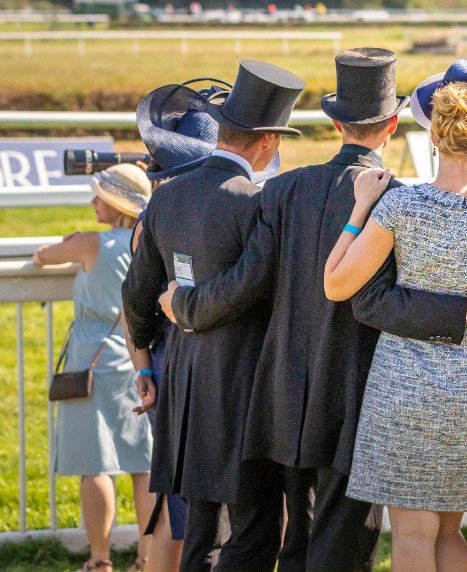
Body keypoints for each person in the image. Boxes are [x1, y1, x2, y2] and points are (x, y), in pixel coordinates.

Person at [162, 48, 467, 572]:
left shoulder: (284, 187)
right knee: (341, 550)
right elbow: (374, 301)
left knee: (295, 545)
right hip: (356, 392)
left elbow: (250, 282)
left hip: (280, 390)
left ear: (337, 121)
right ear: (391, 126)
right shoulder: (398, 198)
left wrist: (183, 302)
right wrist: (461, 313)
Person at [323, 58, 467, 572]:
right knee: (446, 529)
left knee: (412, 532)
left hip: (402, 384)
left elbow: (336, 283)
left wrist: (358, 210)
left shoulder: (401, 206)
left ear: (434, 138)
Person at [124, 60, 305, 571]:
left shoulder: (165, 198)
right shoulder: (260, 202)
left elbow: (137, 297)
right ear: (268, 142)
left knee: (201, 533)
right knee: (251, 533)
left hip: (181, 381)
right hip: (246, 387)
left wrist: (146, 369)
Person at [123, 78, 233, 572]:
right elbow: (140, 306)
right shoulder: (172, 212)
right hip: (187, 365)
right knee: (189, 506)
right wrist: (147, 371)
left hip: (169, 363)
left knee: (179, 500)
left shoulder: (156, 211)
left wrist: (144, 370)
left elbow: (134, 308)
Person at [34, 164, 154, 572]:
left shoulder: (89, 243)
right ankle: (147, 556)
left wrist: (69, 242)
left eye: (98, 195)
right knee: (143, 465)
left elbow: (43, 256)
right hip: (138, 358)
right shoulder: (145, 242)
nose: (92, 202)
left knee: (95, 465)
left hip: (91, 360)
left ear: (115, 201)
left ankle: (100, 559)